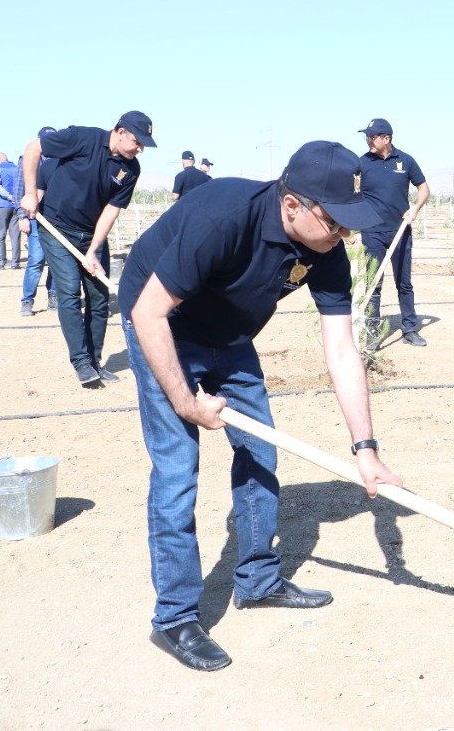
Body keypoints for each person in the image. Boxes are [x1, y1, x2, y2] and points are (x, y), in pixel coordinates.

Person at [117, 140, 401, 672]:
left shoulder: (325, 251)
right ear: (291, 204)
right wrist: (186, 400)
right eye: (334, 221)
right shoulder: (223, 216)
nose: (342, 235)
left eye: (349, 225)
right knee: (178, 470)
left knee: (259, 452)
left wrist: (366, 449)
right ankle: (175, 617)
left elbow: (341, 348)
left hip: (229, 334)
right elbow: (149, 312)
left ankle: (257, 581)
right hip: (161, 323)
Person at [19, 111, 155, 386]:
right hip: (56, 227)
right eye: (137, 141)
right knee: (68, 290)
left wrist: (93, 249)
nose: (139, 148)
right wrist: (31, 193)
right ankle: (81, 362)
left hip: (92, 234)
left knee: (99, 295)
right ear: (120, 132)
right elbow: (34, 148)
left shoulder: (131, 169)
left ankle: (95, 360)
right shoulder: (83, 138)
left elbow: (111, 210)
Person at [356, 117, 430, 348]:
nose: (368, 140)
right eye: (367, 136)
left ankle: (410, 328)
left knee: (404, 283)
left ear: (386, 138)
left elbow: (424, 188)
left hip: (400, 231)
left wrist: (415, 209)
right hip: (373, 232)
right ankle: (372, 332)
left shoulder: (405, 161)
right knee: (373, 283)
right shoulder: (362, 162)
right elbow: (348, 190)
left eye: (372, 136)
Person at [17, 128, 59, 316]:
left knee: (57, 261)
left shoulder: (62, 159)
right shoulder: (27, 160)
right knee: (36, 260)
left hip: (58, 220)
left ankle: (54, 297)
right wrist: (22, 216)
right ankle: (27, 301)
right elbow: (20, 189)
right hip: (35, 218)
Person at [0, 153, 22, 268]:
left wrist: (8, 196)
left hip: (1, 205)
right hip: (17, 206)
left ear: (0, 159)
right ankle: (15, 262)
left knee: (0, 234)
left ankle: (0, 261)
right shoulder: (18, 168)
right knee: (15, 235)